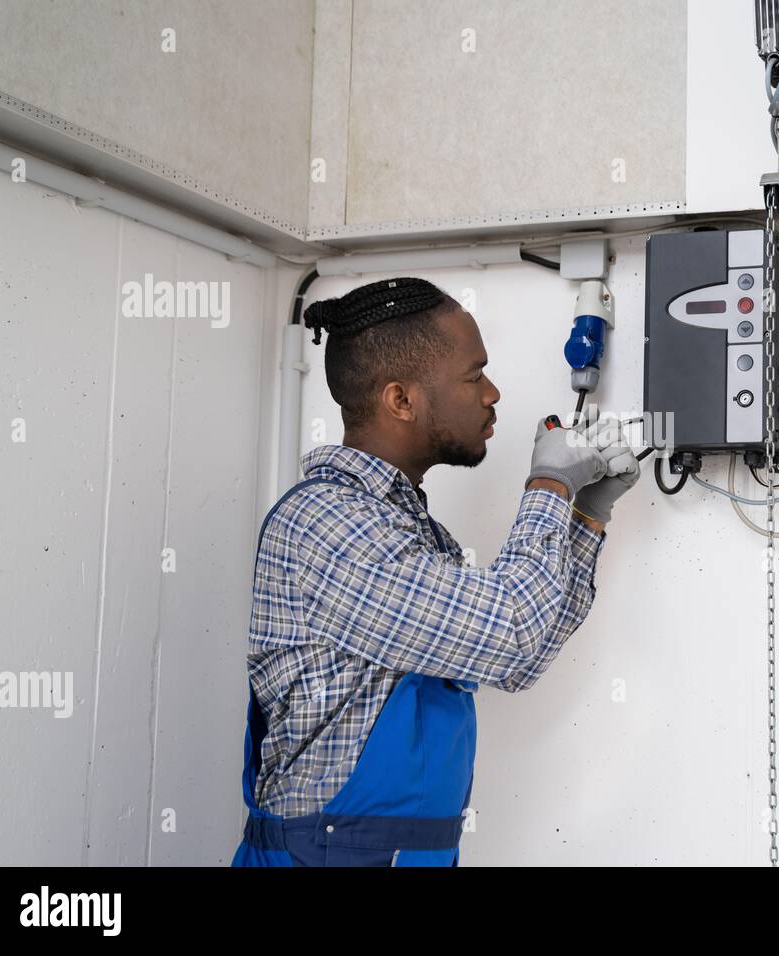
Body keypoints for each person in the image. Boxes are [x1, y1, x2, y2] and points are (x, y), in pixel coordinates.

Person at [230, 276, 640, 866]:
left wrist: (586, 515)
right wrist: (551, 485)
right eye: (474, 376)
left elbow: (524, 657)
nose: (493, 393)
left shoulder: (406, 528)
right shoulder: (327, 525)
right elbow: (512, 636)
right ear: (401, 400)